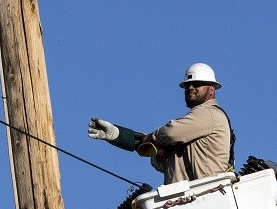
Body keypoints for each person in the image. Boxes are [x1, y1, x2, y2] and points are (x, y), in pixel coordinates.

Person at [88, 63, 234, 185]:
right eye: (187, 85)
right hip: (188, 200)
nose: (190, 88)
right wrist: (119, 135)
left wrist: (152, 137)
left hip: (206, 196)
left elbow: (170, 133)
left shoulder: (209, 113)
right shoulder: (193, 127)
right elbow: (163, 162)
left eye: (197, 84)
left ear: (212, 89)